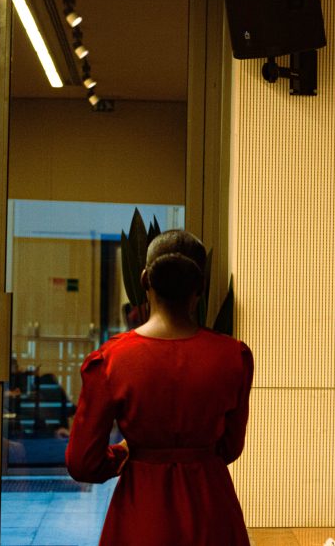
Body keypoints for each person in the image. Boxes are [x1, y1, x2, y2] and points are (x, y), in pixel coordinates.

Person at [66, 230, 253, 545]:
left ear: (144, 280)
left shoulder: (111, 360)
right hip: (212, 509)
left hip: (141, 511)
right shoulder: (233, 356)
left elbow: (83, 463)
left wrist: (123, 453)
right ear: (200, 286)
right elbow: (230, 447)